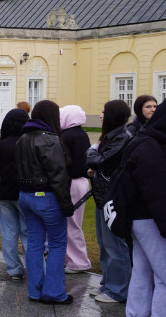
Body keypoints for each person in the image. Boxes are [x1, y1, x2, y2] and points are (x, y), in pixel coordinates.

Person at [121, 99, 166, 317]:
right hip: (152, 220)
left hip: (139, 219)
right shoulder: (153, 148)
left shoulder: (143, 140)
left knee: (142, 270)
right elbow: (158, 193)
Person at [16, 100, 75, 305]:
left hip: (26, 196)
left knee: (34, 243)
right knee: (57, 243)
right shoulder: (50, 140)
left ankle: (35, 290)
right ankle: (54, 292)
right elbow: (58, 176)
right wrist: (67, 205)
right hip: (46, 196)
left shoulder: (23, 137)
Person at [86, 100, 133, 303]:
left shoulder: (122, 137)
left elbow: (100, 162)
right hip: (102, 197)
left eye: (104, 112)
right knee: (104, 244)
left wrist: (92, 151)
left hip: (112, 199)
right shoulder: (111, 137)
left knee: (115, 245)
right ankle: (108, 284)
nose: (101, 115)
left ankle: (119, 290)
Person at [0, 108, 30, 281]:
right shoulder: (28, 143)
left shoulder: (0, 147)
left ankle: (13, 268)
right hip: (25, 194)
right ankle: (33, 267)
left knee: (8, 233)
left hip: (4, 195)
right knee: (28, 233)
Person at [59, 105, 92, 275]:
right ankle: (72, 259)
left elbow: (65, 163)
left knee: (71, 224)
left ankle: (78, 261)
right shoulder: (82, 134)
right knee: (73, 223)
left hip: (71, 182)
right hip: (81, 182)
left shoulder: (66, 136)